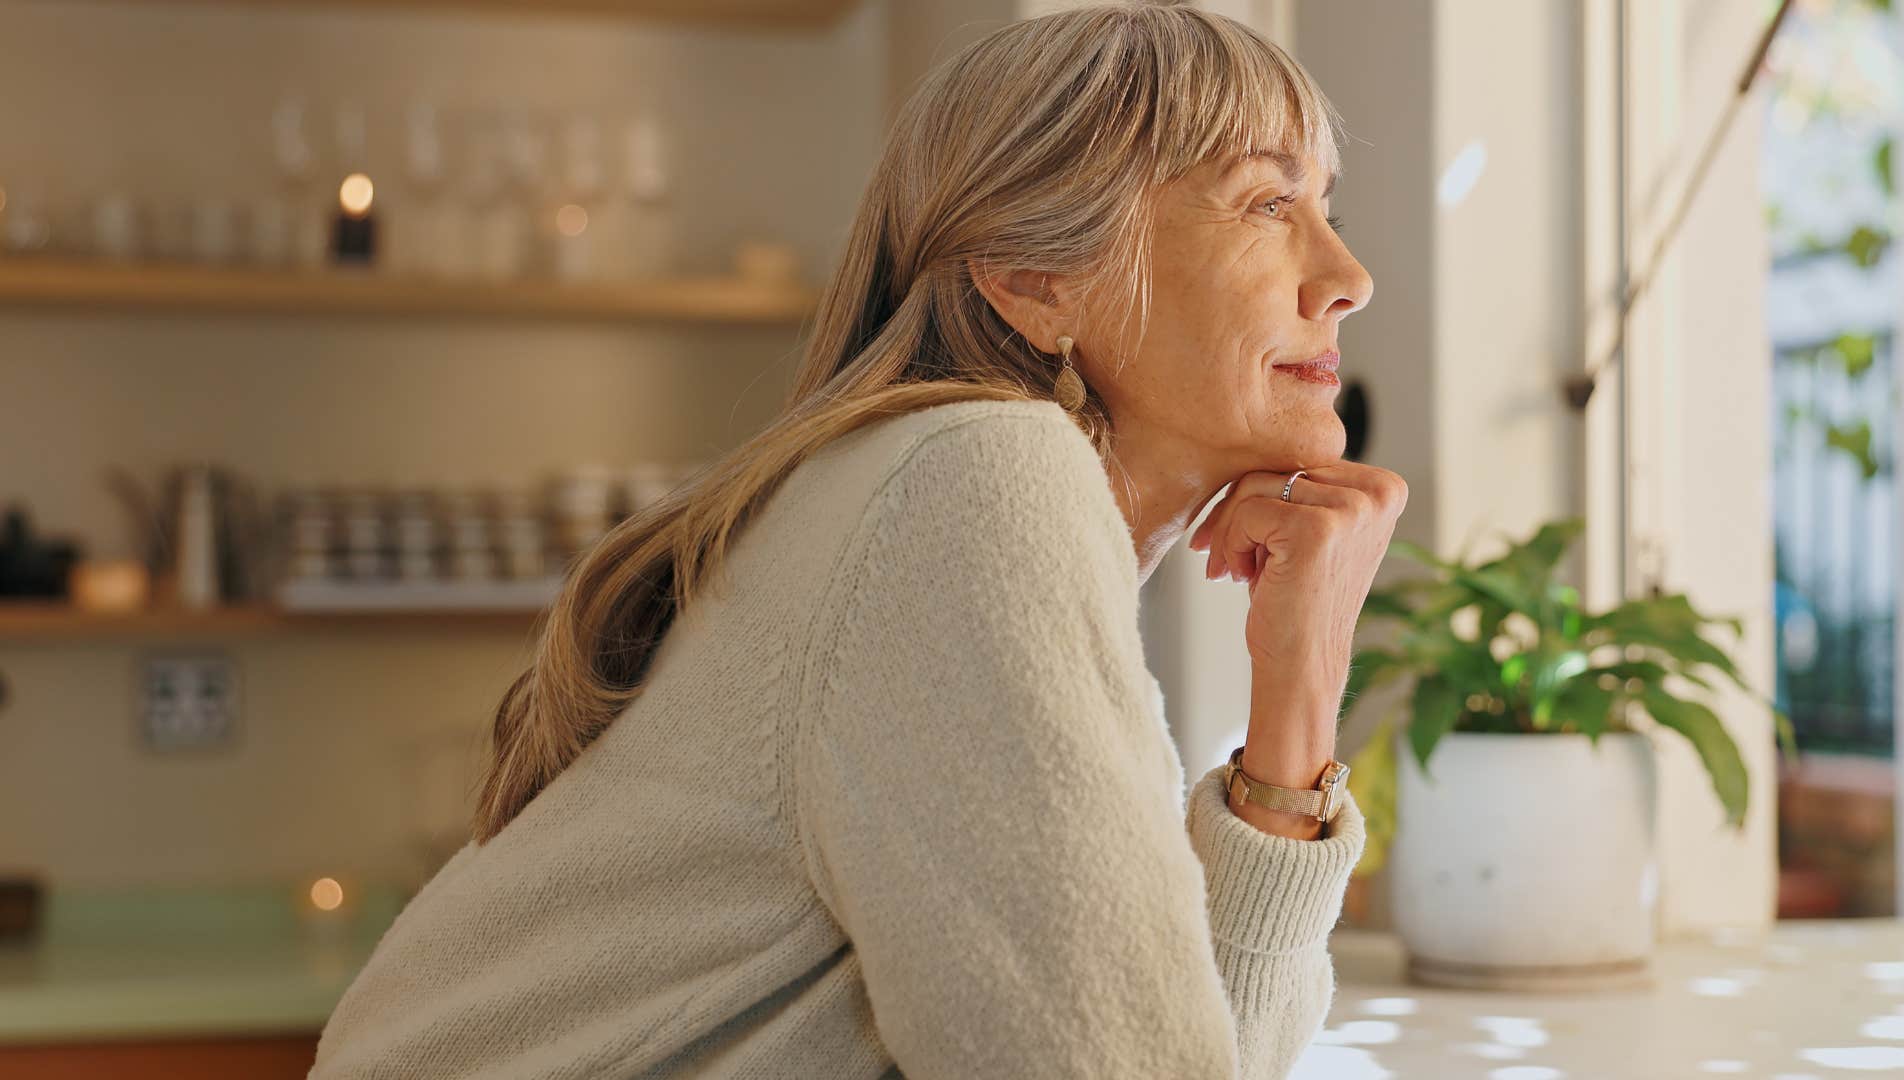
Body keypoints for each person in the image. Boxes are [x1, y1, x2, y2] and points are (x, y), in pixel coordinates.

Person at [310, 2, 1404, 1076]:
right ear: (1035, 281)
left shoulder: (951, 500)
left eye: (1327, 208)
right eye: (1267, 204)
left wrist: (1299, 681)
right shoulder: (973, 477)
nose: (1347, 279)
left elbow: (1202, 1050)